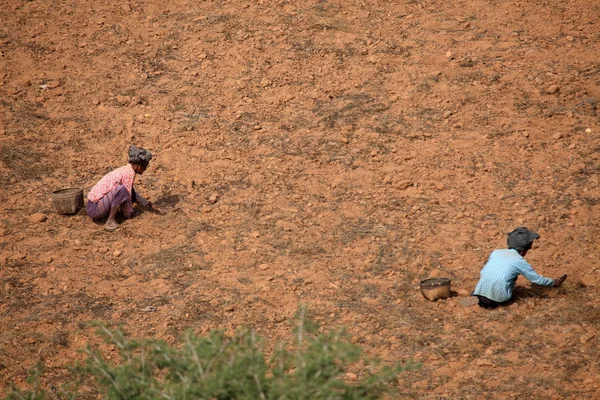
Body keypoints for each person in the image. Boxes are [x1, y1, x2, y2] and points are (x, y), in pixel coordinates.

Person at [460, 227, 567, 308]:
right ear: (524, 250)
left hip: (480, 291)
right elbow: (537, 280)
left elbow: (483, 271)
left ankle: (481, 296)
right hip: (500, 299)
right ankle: (494, 299)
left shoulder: (496, 252)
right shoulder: (519, 261)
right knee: (512, 278)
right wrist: (554, 282)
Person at [86, 145, 162, 231]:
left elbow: (132, 193)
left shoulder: (125, 169)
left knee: (124, 190)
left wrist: (149, 204)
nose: (145, 169)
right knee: (122, 190)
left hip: (91, 206)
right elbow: (128, 196)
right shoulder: (129, 174)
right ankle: (110, 221)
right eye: (145, 166)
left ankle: (110, 217)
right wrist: (129, 213)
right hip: (94, 209)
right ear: (139, 166)